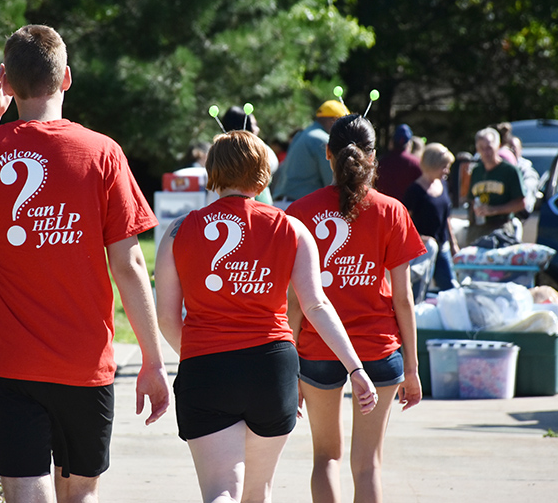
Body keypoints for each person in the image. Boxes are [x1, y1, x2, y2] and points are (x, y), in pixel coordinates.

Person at [0, 25, 171, 503]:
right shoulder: (103, 153)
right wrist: (152, 359)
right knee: (81, 491)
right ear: (66, 78)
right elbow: (128, 266)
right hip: (82, 363)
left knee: (24, 491)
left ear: (6, 80)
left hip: (3, 363)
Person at [155, 130, 377, 503]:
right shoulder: (291, 228)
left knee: (220, 489)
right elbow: (316, 305)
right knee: (258, 492)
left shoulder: (178, 232)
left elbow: (165, 317)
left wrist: (195, 353)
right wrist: (355, 369)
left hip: (206, 367)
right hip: (271, 369)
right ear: (263, 175)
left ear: (212, 172)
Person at [286, 114, 424, 503]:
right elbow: (403, 299)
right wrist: (411, 368)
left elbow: (295, 301)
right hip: (379, 350)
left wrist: (291, 365)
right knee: (368, 466)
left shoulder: (300, 212)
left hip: (316, 349)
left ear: (327, 155)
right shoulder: (392, 211)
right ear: (373, 157)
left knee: (325, 458)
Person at [402, 143, 460, 295]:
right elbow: (402, 222)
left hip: (442, 246)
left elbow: (446, 216)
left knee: (451, 289)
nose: (446, 171)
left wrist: (453, 243)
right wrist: (418, 238)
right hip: (422, 250)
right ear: (433, 165)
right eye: (444, 167)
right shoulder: (414, 191)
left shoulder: (443, 185)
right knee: (419, 291)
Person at [272, 100, 349, 208]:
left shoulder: (301, 135)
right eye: (343, 123)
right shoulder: (323, 140)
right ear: (333, 120)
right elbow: (333, 183)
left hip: (281, 204)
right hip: (299, 207)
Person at [466, 127, 527, 247]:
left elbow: (521, 203)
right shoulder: (477, 171)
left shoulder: (509, 170)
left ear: (498, 146)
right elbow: (471, 199)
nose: (486, 152)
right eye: (482, 148)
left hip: (501, 227)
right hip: (478, 228)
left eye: (489, 148)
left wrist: (494, 210)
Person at [221, 105, 278, 204]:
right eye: (253, 125)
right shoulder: (260, 150)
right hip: (253, 207)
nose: (257, 129)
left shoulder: (217, 151)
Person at [375, 123, 422, 202]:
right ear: (409, 144)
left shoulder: (380, 163)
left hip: (384, 209)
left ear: (392, 142)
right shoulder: (417, 163)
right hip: (407, 211)